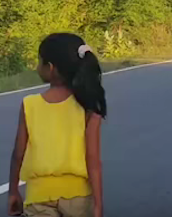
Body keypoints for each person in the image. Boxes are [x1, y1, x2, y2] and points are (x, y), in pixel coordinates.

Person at [7, 34, 107, 217]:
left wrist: (13, 191)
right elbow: (93, 161)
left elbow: (17, 154)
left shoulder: (30, 105)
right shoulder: (88, 108)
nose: (37, 67)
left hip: (39, 197)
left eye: (39, 61)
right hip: (79, 198)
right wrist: (98, 205)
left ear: (50, 68)